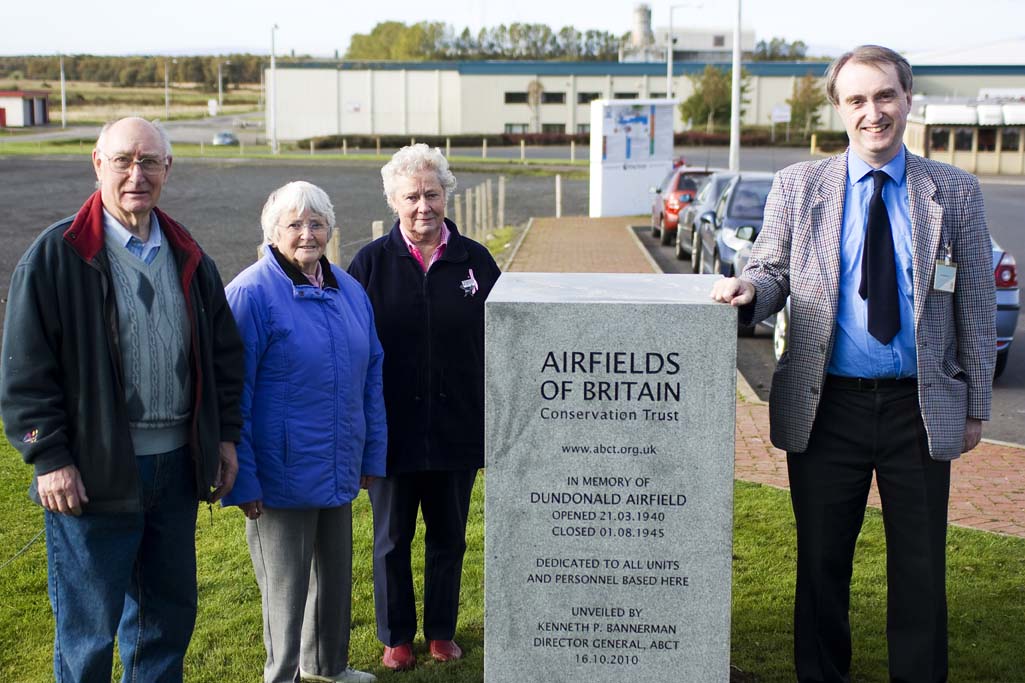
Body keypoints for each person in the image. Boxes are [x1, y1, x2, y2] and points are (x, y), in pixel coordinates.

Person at [712, 45, 995, 682]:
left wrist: (976, 404)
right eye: (858, 100)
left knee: (920, 570)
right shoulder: (799, 185)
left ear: (907, 101)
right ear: (839, 109)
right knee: (820, 566)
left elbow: (975, 298)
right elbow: (773, 266)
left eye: (885, 96)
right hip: (826, 405)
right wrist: (750, 289)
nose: (874, 112)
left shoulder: (952, 191)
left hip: (916, 410)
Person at [0, 117, 245, 682]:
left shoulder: (189, 254)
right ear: (97, 163)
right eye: (123, 161)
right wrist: (50, 458)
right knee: (89, 630)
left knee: (165, 621)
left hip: (176, 470)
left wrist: (224, 438)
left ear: (168, 169)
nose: (138, 174)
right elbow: (25, 371)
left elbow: (224, 359)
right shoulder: (57, 256)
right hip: (93, 471)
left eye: (150, 161)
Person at [223, 181, 386, 683]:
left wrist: (371, 455)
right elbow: (234, 393)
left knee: (335, 582)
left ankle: (329, 669)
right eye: (294, 224)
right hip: (279, 476)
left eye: (316, 223)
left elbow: (371, 373)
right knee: (287, 590)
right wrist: (243, 479)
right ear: (273, 232)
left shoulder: (349, 291)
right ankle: (282, 677)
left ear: (330, 229)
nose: (307, 234)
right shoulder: (251, 293)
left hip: (337, 463)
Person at [348, 144, 500, 671]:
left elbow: (503, 340)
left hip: (458, 428)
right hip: (391, 432)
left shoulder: (476, 261)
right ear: (393, 200)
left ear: (445, 195)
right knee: (391, 539)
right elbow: (350, 348)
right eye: (411, 196)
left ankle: (440, 631)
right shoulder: (369, 263)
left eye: (431, 194)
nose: (422, 206)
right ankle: (396, 637)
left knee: (449, 537)